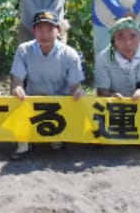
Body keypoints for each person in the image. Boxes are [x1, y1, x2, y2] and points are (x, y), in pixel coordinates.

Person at [8, 11, 85, 159]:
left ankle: (57, 139)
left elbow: (75, 86)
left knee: (78, 104)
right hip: (32, 101)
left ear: (59, 31)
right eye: (40, 30)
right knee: (16, 99)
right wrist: (17, 88)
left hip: (59, 104)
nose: (45, 35)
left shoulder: (70, 54)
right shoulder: (23, 50)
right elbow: (16, 80)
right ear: (34, 31)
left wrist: (77, 92)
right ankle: (24, 144)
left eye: (49, 29)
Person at [94, 17, 140, 100]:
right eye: (121, 37)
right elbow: (102, 91)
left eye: (133, 37)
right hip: (114, 108)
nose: (128, 43)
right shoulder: (103, 59)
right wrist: (112, 98)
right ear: (113, 41)